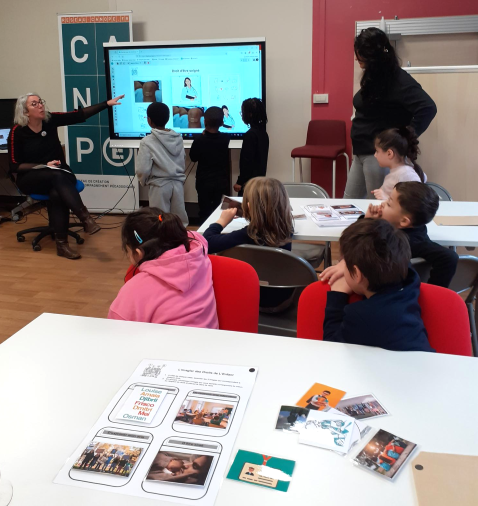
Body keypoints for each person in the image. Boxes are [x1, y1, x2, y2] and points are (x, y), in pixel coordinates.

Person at [8, 92, 124, 259]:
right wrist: (43, 166)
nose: (40, 105)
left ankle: (62, 245)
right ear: (25, 112)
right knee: (56, 177)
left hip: (60, 174)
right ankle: (85, 218)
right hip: (32, 177)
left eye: (40, 101)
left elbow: (79, 115)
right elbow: (14, 165)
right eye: (34, 104)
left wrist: (106, 104)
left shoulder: (49, 119)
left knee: (57, 191)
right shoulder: (17, 132)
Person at [345, 27, 436, 199]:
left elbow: (428, 107)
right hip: (361, 152)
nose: (356, 57)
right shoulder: (373, 77)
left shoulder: (398, 80)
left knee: (378, 205)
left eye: (360, 53)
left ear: (373, 56)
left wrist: (403, 138)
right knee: (348, 204)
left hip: (377, 156)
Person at [323, 218, 435, 352]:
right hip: (426, 360)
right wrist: (351, 263)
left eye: (344, 263)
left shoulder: (360, 315)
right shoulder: (410, 281)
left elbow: (332, 345)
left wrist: (337, 295)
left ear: (357, 274)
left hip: (400, 366)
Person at [321, 182, 458, 288]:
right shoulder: (415, 227)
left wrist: (432, 292)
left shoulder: (394, 242)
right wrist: (369, 220)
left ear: (404, 221)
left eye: (389, 204)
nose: (382, 204)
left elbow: (355, 243)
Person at [108, 207, 218, 329]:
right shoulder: (200, 257)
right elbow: (191, 235)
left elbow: (116, 333)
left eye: (128, 250)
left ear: (138, 254)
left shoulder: (134, 291)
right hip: (211, 340)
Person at [203, 177, 293, 254]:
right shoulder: (288, 228)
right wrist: (251, 214)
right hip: (280, 269)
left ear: (249, 207)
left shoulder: (249, 234)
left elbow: (205, 244)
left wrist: (221, 221)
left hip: (250, 269)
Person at [135, 102, 188, 226]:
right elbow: (183, 158)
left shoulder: (147, 141)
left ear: (149, 120)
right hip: (178, 184)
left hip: (159, 185)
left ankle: (162, 239)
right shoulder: (178, 138)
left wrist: (143, 181)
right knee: (179, 220)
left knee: (159, 220)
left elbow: (142, 169)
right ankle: (180, 238)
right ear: (168, 118)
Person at [189, 106, 230, 223]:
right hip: (221, 181)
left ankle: (204, 231)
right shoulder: (225, 138)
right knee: (219, 210)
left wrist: (202, 135)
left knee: (204, 211)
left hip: (204, 182)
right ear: (222, 123)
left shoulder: (199, 139)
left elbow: (193, 158)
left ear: (204, 121)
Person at [371, 126, 425, 200]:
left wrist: (386, 198)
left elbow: (415, 202)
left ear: (389, 153)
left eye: (377, 151)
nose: (375, 155)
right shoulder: (396, 172)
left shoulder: (406, 174)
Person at [234, 98, 269, 196]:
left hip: (248, 184)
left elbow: (247, 162)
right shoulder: (263, 133)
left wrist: (240, 181)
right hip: (259, 182)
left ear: (250, 114)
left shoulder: (250, 135)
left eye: (242, 112)